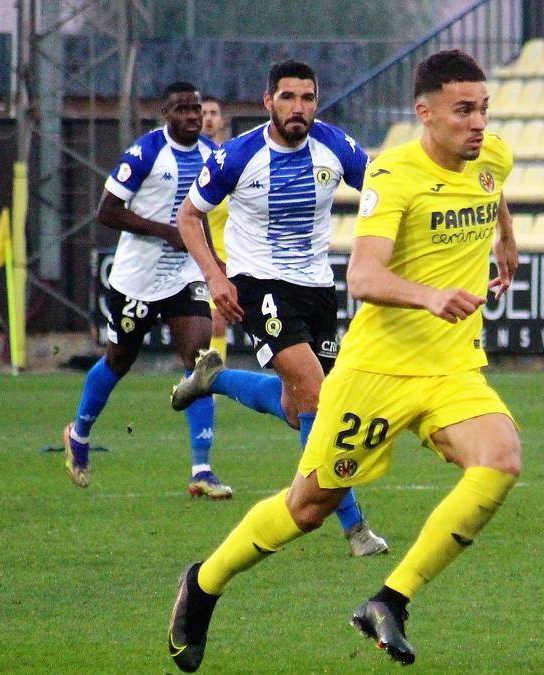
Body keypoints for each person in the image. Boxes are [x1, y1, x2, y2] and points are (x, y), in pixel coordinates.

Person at [166, 49, 521, 671]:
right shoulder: (392, 177)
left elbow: (492, 190)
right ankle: (204, 583)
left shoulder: (490, 155)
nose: (478, 123)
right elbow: (363, 275)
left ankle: (390, 600)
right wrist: (431, 295)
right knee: (308, 506)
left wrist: (507, 242)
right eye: (463, 111)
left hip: (452, 370)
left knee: (500, 460)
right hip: (374, 371)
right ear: (425, 115)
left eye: (483, 109)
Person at [170, 60, 388, 557]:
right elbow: (188, 216)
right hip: (258, 284)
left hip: (317, 288)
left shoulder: (335, 146)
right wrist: (215, 276)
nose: (299, 108)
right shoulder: (238, 156)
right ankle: (354, 527)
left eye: (307, 98)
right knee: (318, 396)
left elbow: (384, 191)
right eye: (288, 98)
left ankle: (215, 379)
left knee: (297, 410)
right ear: (268, 101)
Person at [61, 81, 232, 499]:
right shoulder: (145, 153)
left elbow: (203, 216)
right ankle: (79, 432)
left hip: (183, 277)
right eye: (182, 110)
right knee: (119, 360)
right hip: (135, 280)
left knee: (200, 361)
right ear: (165, 114)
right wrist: (165, 232)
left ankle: (202, 469)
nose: (192, 116)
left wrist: (214, 266)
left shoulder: (213, 156)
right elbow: (107, 212)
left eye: (196, 108)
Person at [200, 95, 231, 374]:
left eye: (213, 112)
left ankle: (213, 376)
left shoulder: (231, 159)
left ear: (222, 121)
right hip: (194, 253)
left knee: (217, 320)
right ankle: (202, 373)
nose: (208, 117)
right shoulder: (193, 161)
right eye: (203, 112)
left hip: (224, 252)